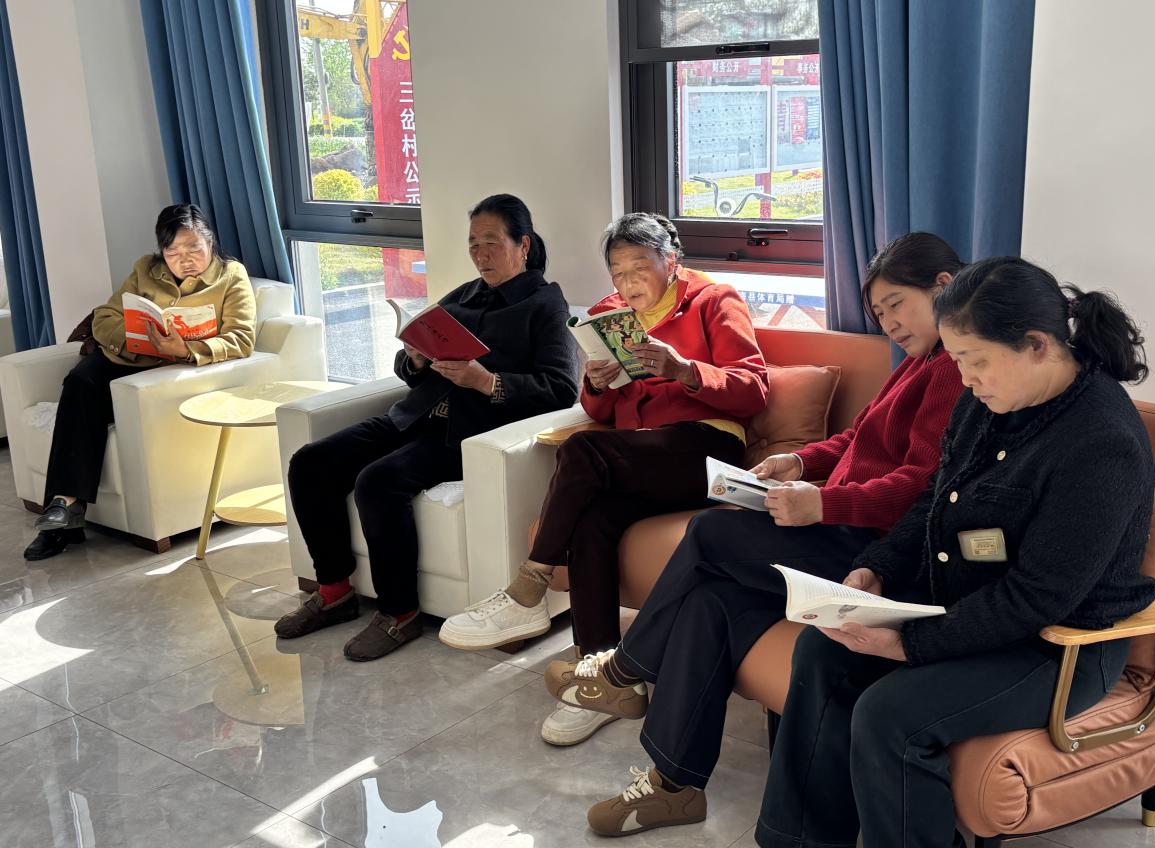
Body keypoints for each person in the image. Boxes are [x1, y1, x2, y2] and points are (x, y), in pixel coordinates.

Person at [717, 256, 1155, 848]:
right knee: (824, 650)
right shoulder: (987, 402)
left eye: (975, 361)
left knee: (892, 710)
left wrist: (909, 644)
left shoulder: (1100, 442)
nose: (965, 378)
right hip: (966, 608)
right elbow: (933, 500)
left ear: (1036, 346)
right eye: (956, 360)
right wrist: (876, 569)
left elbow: (1037, 598)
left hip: (1057, 647)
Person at [542, 232, 969, 826]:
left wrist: (822, 503)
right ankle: (674, 785)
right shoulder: (918, 363)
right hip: (844, 524)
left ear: (944, 287)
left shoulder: (954, 369)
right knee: (710, 602)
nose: (889, 324)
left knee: (710, 534)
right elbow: (857, 439)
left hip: (874, 550)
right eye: (879, 313)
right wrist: (799, 461)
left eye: (897, 304)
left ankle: (625, 669)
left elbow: (921, 486)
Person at [438, 212, 771, 745]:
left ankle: (529, 587)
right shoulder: (607, 316)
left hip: (706, 449)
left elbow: (754, 389)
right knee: (592, 519)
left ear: (670, 261)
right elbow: (597, 409)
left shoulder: (713, 300)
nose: (628, 282)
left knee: (584, 448)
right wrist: (596, 382)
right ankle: (605, 681)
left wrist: (683, 369)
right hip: (640, 456)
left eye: (640, 267)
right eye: (618, 271)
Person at [274, 194, 579, 661]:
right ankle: (334, 592)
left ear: (523, 244)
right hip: (414, 415)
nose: (480, 255)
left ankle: (399, 614)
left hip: (470, 433)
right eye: (473, 244)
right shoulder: (464, 294)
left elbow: (561, 389)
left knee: (378, 481)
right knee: (312, 462)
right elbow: (412, 364)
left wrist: (488, 382)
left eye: (491, 243)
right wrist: (414, 359)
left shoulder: (545, 305)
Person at [24, 204, 257, 561]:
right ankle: (65, 506)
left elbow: (241, 338)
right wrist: (137, 339)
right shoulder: (145, 269)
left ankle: (62, 515)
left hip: (171, 369)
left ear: (210, 242)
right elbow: (104, 317)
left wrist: (186, 349)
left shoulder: (231, 276)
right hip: (129, 357)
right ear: (162, 252)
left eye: (193, 248)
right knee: (80, 382)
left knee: (91, 402)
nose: (185, 260)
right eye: (173, 252)